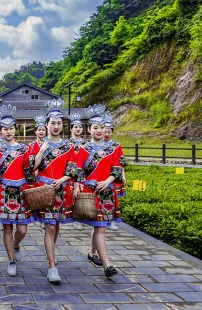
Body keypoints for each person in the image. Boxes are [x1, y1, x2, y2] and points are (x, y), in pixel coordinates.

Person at [31, 99, 79, 284]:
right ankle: (52, 266)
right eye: (53, 123)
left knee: (56, 226)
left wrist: (64, 180)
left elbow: (73, 169)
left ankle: (51, 251)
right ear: (47, 125)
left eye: (59, 123)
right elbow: (32, 168)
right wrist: (42, 150)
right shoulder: (41, 145)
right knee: (50, 227)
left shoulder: (69, 146)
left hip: (61, 190)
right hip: (45, 190)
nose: (56, 126)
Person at [74, 104, 122, 278]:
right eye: (96, 127)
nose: (100, 130)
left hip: (107, 191)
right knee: (100, 228)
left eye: (102, 127)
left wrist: (108, 181)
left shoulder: (114, 148)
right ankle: (107, 264)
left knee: (99, 227)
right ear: (89, 129)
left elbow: (117, 169)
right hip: (91, 192)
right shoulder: (84, 149)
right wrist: (79, 186)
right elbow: (78, 171)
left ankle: (92, 253)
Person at [0, 105, 34, 276]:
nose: (8, 132)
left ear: (15, 129)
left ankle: (16, 245)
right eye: (5, 129)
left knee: (22, 230)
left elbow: (30, 171)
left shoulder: (24, 149)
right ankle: (11, 259)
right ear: (0, 130)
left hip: (21, 191)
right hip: (4, 191)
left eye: (11, 128)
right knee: (7, 228)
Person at [103, 113, 127, 231]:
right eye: (105, 131)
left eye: (109, 132)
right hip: (101, 176)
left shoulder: (116, 145)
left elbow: (121, 162)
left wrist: (123, 175)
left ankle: (111, 221)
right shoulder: (97, 145)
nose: (106, 134)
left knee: (113, 199)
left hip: (114, 176)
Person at [68, 112, 87, 231]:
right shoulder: (67, 144)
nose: (78, 129)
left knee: (80, 195)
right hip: (69, 173)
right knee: (70, 195)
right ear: (71, 129)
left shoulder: (87, 144)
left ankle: (79, 218)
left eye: (80, 127)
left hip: (83, 173)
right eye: (75, 127)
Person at [28, 116, 47, 228]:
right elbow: (30, 161)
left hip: (45, 173)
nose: (41, 132)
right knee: (35, 196)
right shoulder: (30, 146)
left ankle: (43, 218)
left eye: (43, 130)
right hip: (34, 173)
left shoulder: (49, 144)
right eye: (39, 130)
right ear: (35, 131)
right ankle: (35, 216)